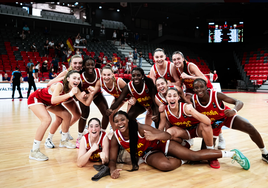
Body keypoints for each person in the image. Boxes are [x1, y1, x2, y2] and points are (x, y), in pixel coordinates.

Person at [108, 110, 250, 179]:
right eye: (117, 121)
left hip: (162, 144)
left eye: (123, 119)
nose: (120, 123)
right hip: (149, 153)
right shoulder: (116, 137)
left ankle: (232, 154)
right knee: (165, 166)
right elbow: (112, 159)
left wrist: (155, 136)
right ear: (114, 123)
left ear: (128, 120)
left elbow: (167, 135)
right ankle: (184, 159)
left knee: (194, 156)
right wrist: (112, 170)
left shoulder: (140, 128)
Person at [192, 78, 268, 163]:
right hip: (213, 126)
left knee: (249, 127)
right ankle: (228, 153)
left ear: (206, 87)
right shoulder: (193, 99)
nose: (199, 90)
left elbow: (239, 102)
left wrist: (233, 111)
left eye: (201, 86)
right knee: (204, 155)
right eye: (196, 87)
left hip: (226, 117)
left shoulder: (216, 95)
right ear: (193, 89)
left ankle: (265, 153)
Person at [28, 70, 95, 161]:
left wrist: (91, 94)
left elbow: (86, 103)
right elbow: (54, 100)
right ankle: (34, 151)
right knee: (47, 120)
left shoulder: (76, 88)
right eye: (74, 78)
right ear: (68, 79)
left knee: (67, 116)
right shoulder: (60, 85)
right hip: (37, 98)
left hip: (49, 103)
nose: (76, 80)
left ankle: (64, 140)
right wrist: (71, 94)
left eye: (78, 79)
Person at [158, 87, 219, 168]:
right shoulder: (164, 110)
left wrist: (192, 111)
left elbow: (208, 121)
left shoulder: (186, 107)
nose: (172, 98)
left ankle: (212, 155)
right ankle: (185, 145)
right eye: (169, 96)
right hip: (184, 133)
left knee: (206, 126)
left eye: (174, 96)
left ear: (178, 97)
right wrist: (156, 143)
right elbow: (160, 128)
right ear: (166, 98)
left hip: (198, 130)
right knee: (168, 132)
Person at [44, 55, 83, 148]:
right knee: (59, 119)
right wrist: (65, 77)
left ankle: (65, 129)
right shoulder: (66, 72)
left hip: (68, 97)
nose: (77, 65)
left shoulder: (81, 73)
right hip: (59, 96)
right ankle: (49, 139)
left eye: (80, 63)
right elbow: (49, 83)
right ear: (71, 64)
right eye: (75, 63)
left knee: (77, 114)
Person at [76, 57, 109, 148]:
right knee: (84, 115)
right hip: (86, 97)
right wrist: (82, 94)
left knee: (106, 113)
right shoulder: (80, 77)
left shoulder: (99, 72)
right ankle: (79, 137)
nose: (90, 66)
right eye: (88, 65)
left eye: (92, 65)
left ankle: (102, 134)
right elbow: (77, 92)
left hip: (97, 94)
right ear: (84, 66)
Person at [100, 66, 135, 130]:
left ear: (112, 74)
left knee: (129, 116)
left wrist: (134, 99)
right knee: (111, 114)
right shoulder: (100, 82)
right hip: (119, 98)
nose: (106, 77)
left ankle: (132, 131)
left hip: (130, 97)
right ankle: (115, 132)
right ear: (101, 75)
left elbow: (132, 92)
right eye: (104, 75)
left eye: (108, 74)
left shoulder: (119, 82)